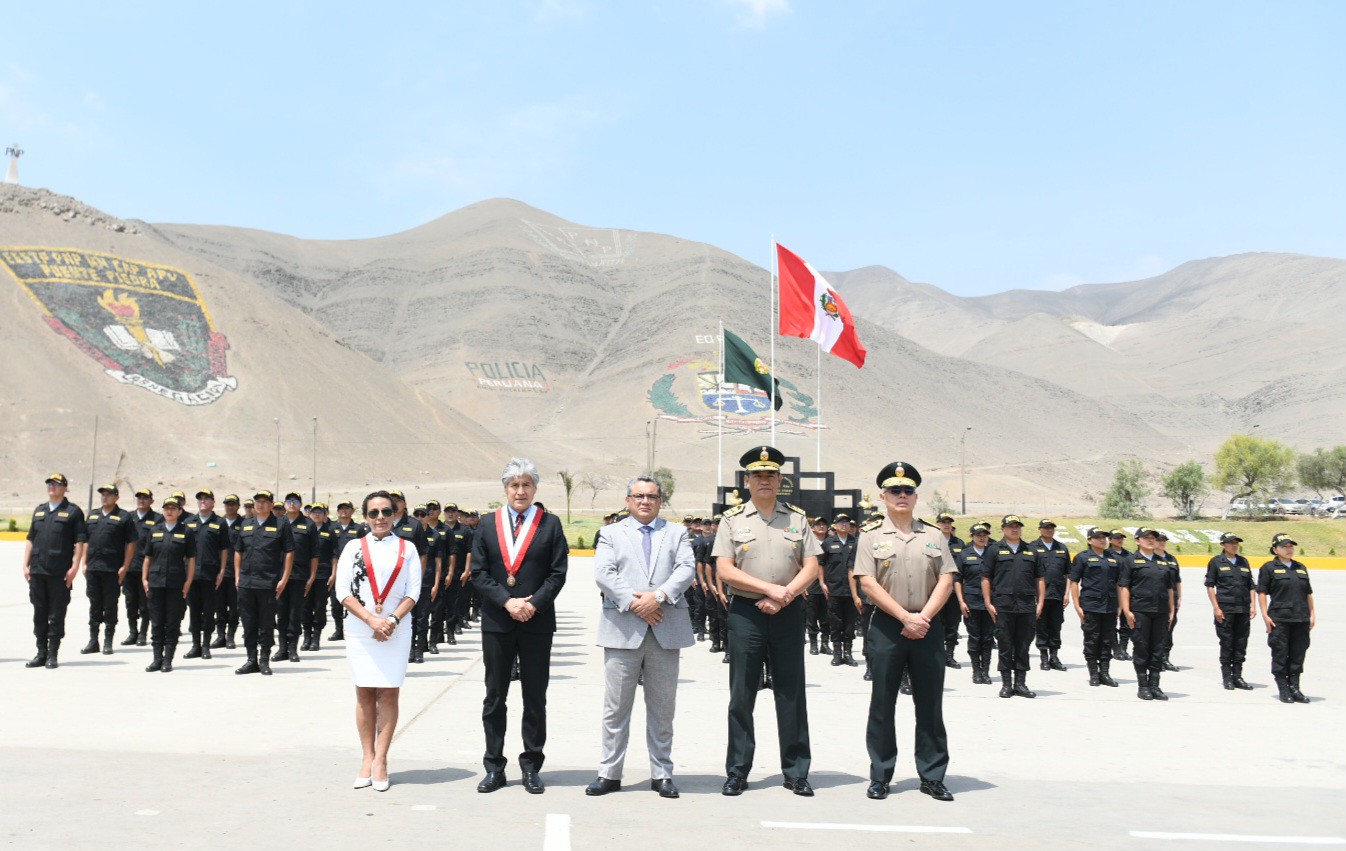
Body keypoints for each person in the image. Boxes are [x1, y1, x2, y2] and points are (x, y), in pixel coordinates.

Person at [712, 445, 821, 797]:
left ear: (780, 481)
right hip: (746, 613)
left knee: (791, 694)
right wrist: (769, 590)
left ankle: (796, 771)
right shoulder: (732, 520)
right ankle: (738, 771)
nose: (764, 480)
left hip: (788, 612)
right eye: (758, 475)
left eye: (770, 475)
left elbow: (811, 566)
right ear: (747, 480)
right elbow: (725, 569)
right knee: (742, 694)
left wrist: (784, 595)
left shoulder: (797, 519)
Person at [586, 475, 696, 799]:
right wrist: (636, 603)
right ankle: (609, 773)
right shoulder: (609, 533)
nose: (645, 501)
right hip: (622, 629)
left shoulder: (676, 532)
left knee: (662, 708)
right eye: (638, 496)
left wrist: (657, 597)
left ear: (660, 501)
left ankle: (662, 773)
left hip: (666, 629)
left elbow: (686, 569)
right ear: (628, 501)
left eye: (651, 496)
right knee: (616, 708)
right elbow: (604, 573)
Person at [853, 461, 956, 802]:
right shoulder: (870, 537)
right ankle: (881, 774)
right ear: (882, 496)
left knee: (930, 703)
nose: (901, 495)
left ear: (916, 497)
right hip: (887, 625)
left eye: (907, 490)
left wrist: (922, 617)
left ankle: (932, 775)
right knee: (883, 701)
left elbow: (946, 578)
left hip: (928, 625)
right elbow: (867, 583)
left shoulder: (934, 535)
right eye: (895, 491)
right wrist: (904, 617)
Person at [473, 458, 570, 795]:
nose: (520, 491)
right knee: (495, 696)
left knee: (534, 697)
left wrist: (532, 604)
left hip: (536, 622)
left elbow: (558, 574)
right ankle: (494, 767)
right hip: (498, 622)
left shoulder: (550, 524)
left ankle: (531, 766)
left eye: (526, 484)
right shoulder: (488, 524)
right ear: (505, 489)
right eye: (514, 485)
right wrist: (507, 601)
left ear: (535, 489)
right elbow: (479, 573)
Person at [335, 491, 423, 791]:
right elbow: (342, 590)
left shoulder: (407, 548)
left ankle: (382, 759)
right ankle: (366, 756)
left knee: (388, 693)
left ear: (396, 514)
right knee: (364, 693)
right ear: (365, 517)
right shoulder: (353, 547)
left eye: (386, 512)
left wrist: (391, 621)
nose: (381, 518)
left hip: (396, 629)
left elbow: (413, 592)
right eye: (374, 513)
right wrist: (371, 619)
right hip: (362, 629)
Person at [24, 474, 88, 669]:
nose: (51, 487)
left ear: (65, 488)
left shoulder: (73, 512)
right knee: (39, 613)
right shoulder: (40, 510)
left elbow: (80, 541)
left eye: (56, 484)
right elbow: (30, 538)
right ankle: (41, 652)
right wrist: (25, 564)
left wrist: (75, 567)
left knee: (56, 614)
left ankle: (53, 654)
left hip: (59, 572)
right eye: (49, 484)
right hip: (37, 570)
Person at [233, 491, 296, 676]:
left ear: (271, 505)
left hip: (268, 583)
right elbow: (238, 551)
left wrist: (284, 579)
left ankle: (264, 660)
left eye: (264, 502)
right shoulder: (245, 524)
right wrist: (237, 575)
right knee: (248, 623)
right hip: (246, 582)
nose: (260, 505)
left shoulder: (280, 524)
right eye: (257, 502)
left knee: (267, 623)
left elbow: (290, 551)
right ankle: (251, 660)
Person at [981, 515, 1044, 698]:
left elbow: (1039, 579)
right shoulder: (993, 550)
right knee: (1005, 644)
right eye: (1011, 526)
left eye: (1017, 526)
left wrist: (1040, 603)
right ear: (1003, 529)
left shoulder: (1032, 551)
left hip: (1026, 606)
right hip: (1003, 605)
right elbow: (986, 578)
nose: (1014, 529)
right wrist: (987, 602)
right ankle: (1007, 684)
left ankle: (1021, 684)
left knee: (1023, 645)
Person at [141, 494, 196, 672]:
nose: (169, 511)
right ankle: (157, 659)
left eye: (173, 508)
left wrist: (188, 581)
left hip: (176, 583)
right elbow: (147, 557)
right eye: (167, 508)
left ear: (180, 511)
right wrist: (144, 578)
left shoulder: (186, 531)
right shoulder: (154, 530)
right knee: (156, 622)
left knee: (172, 622)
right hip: (156, 583)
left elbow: (191, 559)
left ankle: (168, 660)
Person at [1118, 528, 1175, 701]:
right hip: (1140, 611)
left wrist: (1172, 610)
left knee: (1158, 649)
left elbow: (1170, 588)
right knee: (1142, 648)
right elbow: (1124, 587)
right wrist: (1127, 611)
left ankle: (1155, 685)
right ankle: (1143, 686)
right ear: (1137, 541)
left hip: (1161, 611)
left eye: (1153, 538)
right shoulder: (1130, 561)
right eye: (1146, 538)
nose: (1151, 541)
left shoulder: (1163, 562)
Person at [79, 484, 135, 655]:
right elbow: (85, 540)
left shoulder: (124, 517)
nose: (105, 497)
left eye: (109, 494)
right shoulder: (93, 514)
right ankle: (93, 641)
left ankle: (108, 641)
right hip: (93, 568)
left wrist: (125, 566)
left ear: (116, 497)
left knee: (110, 605)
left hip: (112, 569)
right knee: (94, 604)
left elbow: (131, 543)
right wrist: (84, 562)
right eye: (103, 494)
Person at [1257, 533, 1314, 704]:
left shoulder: (1300, 567)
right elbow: (1261, 593)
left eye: (1291, 546)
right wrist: (1265, 616)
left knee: (1298, 653)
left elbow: (1308, 593)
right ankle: (1283, 688)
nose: (1289, 550)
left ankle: (1295, 688)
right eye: (1284, 547)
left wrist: (1312, 614)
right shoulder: (1268, 568)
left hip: (1301, 618)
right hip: (1279, 618)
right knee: (1281, 653)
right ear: (1275, 549)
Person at [1068, 528, 1121, 687]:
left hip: (1110, 606)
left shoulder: (1113, 558)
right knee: (1091, 640)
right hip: (1090, 606)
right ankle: (1093, 673)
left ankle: (1104, 673)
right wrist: (1077, 606)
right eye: (1098, 538)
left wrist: (1119, 606)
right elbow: (1074, 582)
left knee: (1107, 640)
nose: (1102, 540)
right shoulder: (1082, 558)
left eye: (1104, 537)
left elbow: (1118, 584)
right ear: (1090, 540)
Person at [183, 489, 230, 661]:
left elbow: (224, 548)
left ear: (213, 502)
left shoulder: (219, 523)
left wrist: (222, 570)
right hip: (192, 575)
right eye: (200, 498)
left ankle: (206, 646)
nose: (203, 501)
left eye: (206, 498)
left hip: (211, 574)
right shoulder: (188, 522)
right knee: (194, 611)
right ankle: (195, 645)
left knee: (209, 612)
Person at [1205, 533, 1255, 690]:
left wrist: (1253, 605)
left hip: (1243, 609)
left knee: (1241, 643)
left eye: (1236, 543)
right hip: (1225, 609)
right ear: (1223, 545)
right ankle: (1227, 677)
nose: (1234, 545)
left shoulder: (1243, 561)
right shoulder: (1216, 562)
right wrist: (1216, 607)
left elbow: (1251, 585)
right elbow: (1210, 585)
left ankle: (1238, 676)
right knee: (1227, 643)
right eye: (1230, 543)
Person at [276, 493, 317, 664]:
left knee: (295, 614)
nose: (292, 504)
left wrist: (312, 577)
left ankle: (293, 648)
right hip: (279, 577)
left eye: (296, 501)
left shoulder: (308, 524)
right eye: (289, 501)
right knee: (281, 613)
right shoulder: (277, 522)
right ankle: (282, 648)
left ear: (301, 504)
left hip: (300, 576)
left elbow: (314, 554)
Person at [953, 522, 995, 684]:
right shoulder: (964, 555)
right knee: (975, 637)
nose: (982, 538)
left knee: (988, 638)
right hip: (971, 602)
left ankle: (986, 671)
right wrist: (961, 601)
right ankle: (976, 671)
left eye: (984, 535)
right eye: (979, 535)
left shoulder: (993, 553)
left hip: (990, 603)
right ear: (972, 537)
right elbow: (957, 580)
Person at [122, 488, 160, 646]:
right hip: (129, 568)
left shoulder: (157, 519)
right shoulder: (128, 517)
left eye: (145, 498)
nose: (142, 500)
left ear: (151, 500)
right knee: (130, 602)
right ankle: (133, 632)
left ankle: (143, 633)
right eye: (139, 497)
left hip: (147, 569)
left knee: (145, 603)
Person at [1032, 520, 1071, 672]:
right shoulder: (1032, 547)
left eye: (1051, 528)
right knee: (1041, 626)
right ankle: (1043, 657)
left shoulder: (1062, 548)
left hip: (1057, 594)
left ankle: (1054, 657)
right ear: (1039, 529)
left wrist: (1067, 594)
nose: (1049, 530)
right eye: (1046, 528)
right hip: (1039, 596)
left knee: (1056, 626)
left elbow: (1068, 573)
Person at [822, 515, 859, 667]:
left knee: (850, 623)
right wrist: (821, 582)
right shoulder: (828, 543)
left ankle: (848, 653)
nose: (844, 525)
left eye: (847, 523)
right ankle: (837, 653)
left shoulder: (856, 543)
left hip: (852, 591)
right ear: (835, 525)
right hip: (834, 589)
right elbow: (820, 564)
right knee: (835, 622)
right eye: (841, 522)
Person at [328, 500, 366, 641]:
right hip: (337, 569)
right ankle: (339, 630)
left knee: (354, 601)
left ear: (352, 511)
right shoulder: (332, 528)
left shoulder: (358, 529)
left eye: (346, 508)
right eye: (341, 508)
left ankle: (353, 629)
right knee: (336, 602)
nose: (343, 511)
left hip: (354, 570)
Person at [304, 503, 338, 651]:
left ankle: (316, 637)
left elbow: (334, 555)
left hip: (323, 575)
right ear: (309, 514)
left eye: (320, 512)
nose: (317, 514)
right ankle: (306, 637)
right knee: (305, 607)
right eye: (314, 512)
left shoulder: (330, 532)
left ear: (325, 515)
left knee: (319, 607)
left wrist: (333, 574)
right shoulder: (305, 530)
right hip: (305, 575)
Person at [933, 513, 965, 669]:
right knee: (936, 624)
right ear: (937, 524)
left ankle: (949, 655)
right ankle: (937, 654)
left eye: (949, 522)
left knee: (953, 625)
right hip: (935, 591)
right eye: (943, 522)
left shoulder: (959, 543)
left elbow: (963, 568)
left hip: (953, 592)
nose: (946, 525)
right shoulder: (931, 541)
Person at [213, 495, 244, 649]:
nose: (230, 507)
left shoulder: (244, 524)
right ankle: (220, 636)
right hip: (218, 572)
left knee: (235, 607)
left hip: (237, 573)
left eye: (233, 504)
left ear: (238, 506)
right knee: (219, 606)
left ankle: (230, 636)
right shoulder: (218, 523)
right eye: (228, 504)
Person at [1154, 533, 1182, 672]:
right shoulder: (1150, 558)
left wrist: (1179, 597)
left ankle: (1165, 658)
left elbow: (1177, 580)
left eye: (1164, 541)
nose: (1162, 543)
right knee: (1155, 631)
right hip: (1155, 599)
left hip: (1171, 599)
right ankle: (1156, 660)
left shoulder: (1171, 559)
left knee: (1169, 630)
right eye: (1159, 540)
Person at [803, 517, 831, 656]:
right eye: (818, 525)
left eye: (824, 524)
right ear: (812, 528)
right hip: (811, 585)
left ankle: (825, 643)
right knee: (812, 616)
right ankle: (813, 643)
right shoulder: (807, 542)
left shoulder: (830, 543)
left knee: (826, 617)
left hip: (829, 585)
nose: (821, 527)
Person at [1108, 530, 1132, 660]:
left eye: (1121, 538)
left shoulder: (1129, 555)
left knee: (1126, 622)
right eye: (1116, 538)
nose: (1119, 540)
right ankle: (1115, 649)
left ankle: (1123, 648)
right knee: (1111, 622)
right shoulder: (1106, 555)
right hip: (1111, 594)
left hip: (1127, 593)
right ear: (1110, 540)